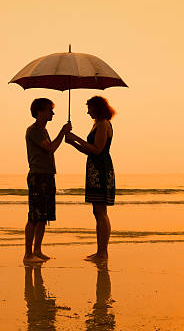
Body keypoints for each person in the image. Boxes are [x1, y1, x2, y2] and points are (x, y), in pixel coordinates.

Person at [65, 96, 116, 261]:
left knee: (100, 212)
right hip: (95, 168)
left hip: (100, 170)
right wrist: (72, 143)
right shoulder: (97, 124)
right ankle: (101, 251)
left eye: (89, 108)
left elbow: (97, 149)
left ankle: (103, 253)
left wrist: (76, 138)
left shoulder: (103, 124)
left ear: (97, 108)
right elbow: (90, 151)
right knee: (98, 211)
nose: (87, 111)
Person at [24, 98, 71, 264]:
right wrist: (62, 132)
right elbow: (50, 148)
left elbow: (50, 147)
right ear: (39, 111)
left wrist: (62, 134)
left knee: (43, 216)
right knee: (34, 216)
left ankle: (37, 250)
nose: (52, 113)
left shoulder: (42, 130)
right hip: (38, 176)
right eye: (49, 110)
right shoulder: (35, 129)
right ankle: (28, 254)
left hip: (47, 175)